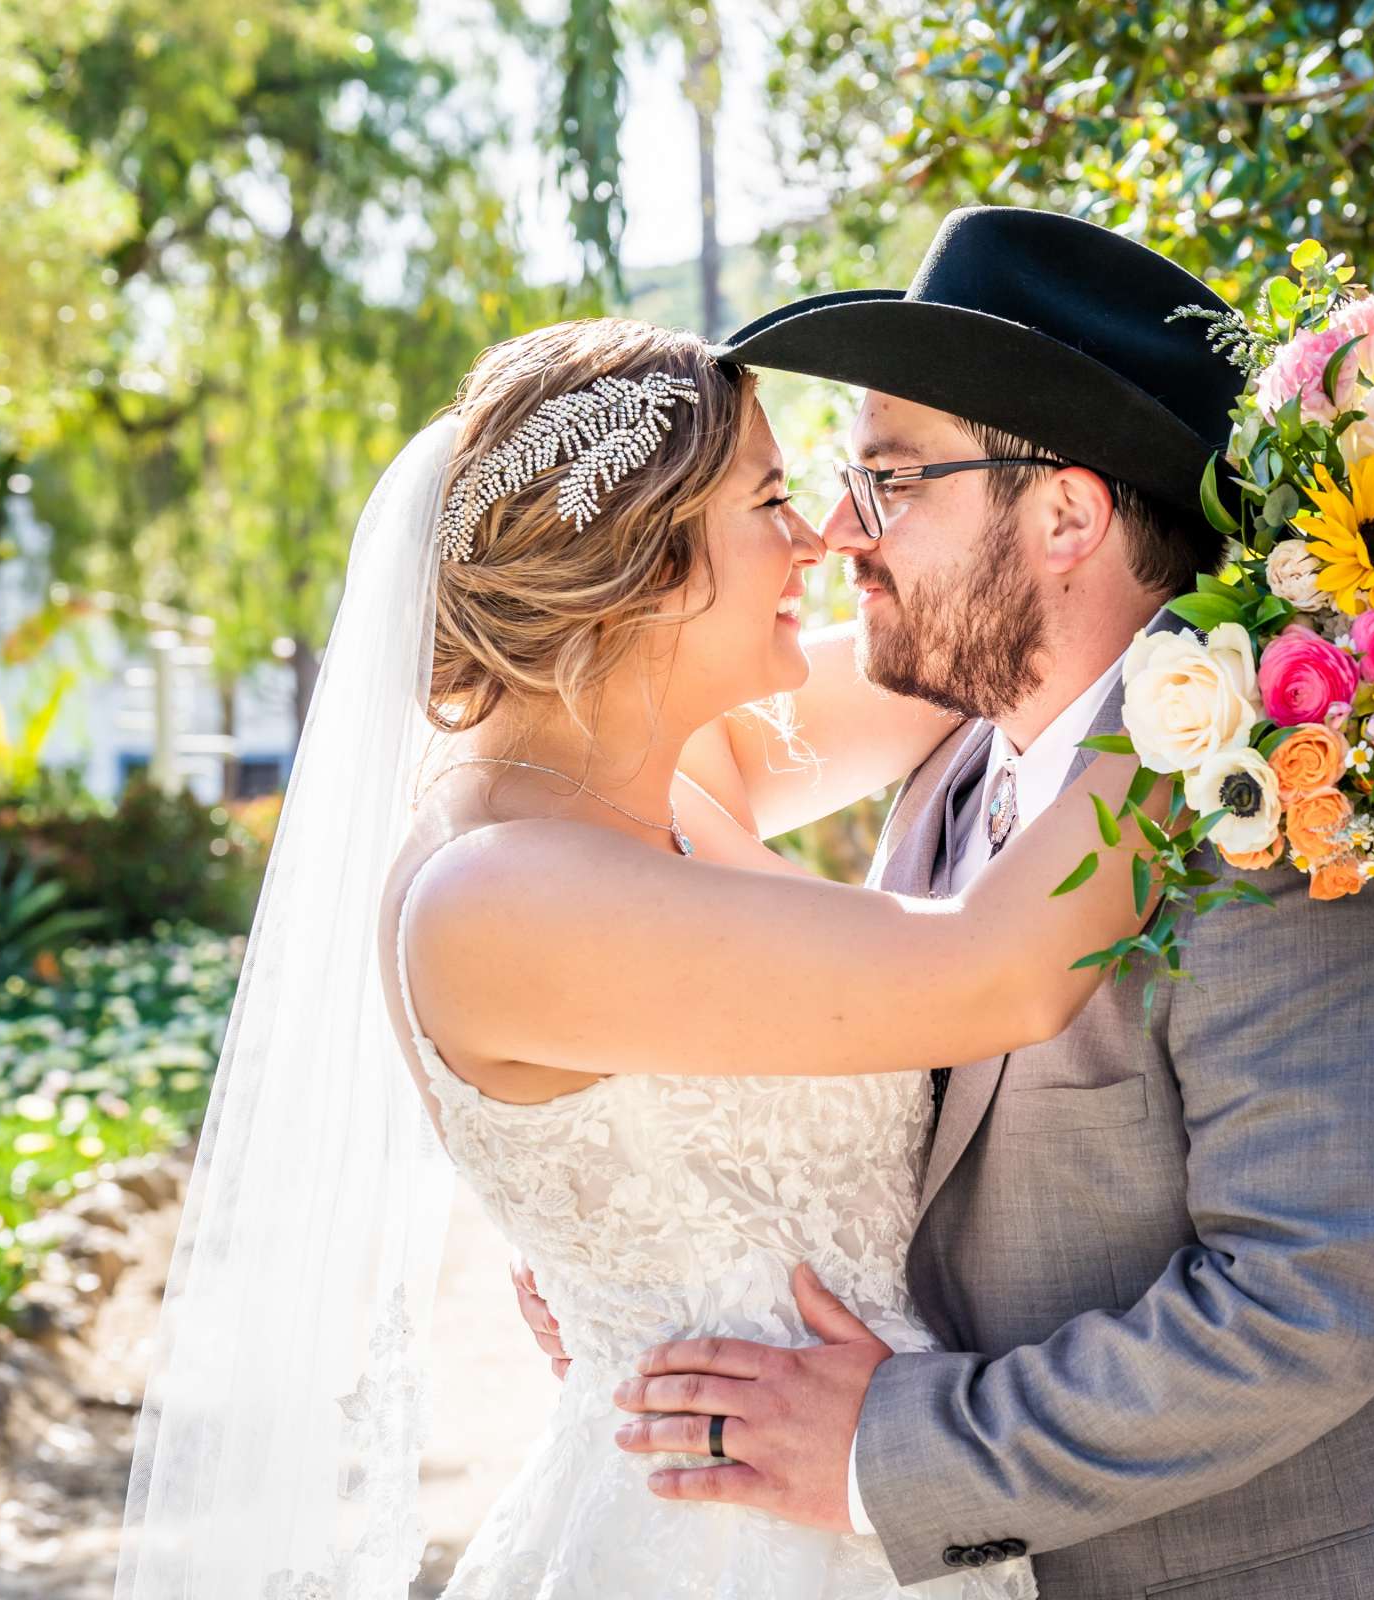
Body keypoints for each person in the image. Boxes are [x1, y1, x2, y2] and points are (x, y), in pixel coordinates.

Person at [531, 206, 1374, 1599]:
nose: (839, 537)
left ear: (1064, 512)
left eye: (890, 482)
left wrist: (886, 1454)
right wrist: (654, 1249)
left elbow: (1306, 1305)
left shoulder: (1302, 820)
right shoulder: (949, 773)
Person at [115, 311, 1169, 1600]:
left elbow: (988, 643)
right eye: (772, 500)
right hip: (730, 1544)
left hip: (857, 1498)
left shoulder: (667, 773)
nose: (821, 538)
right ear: (648, 565)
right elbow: (1001, 971)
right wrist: (1230, 666)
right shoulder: (501, 891)